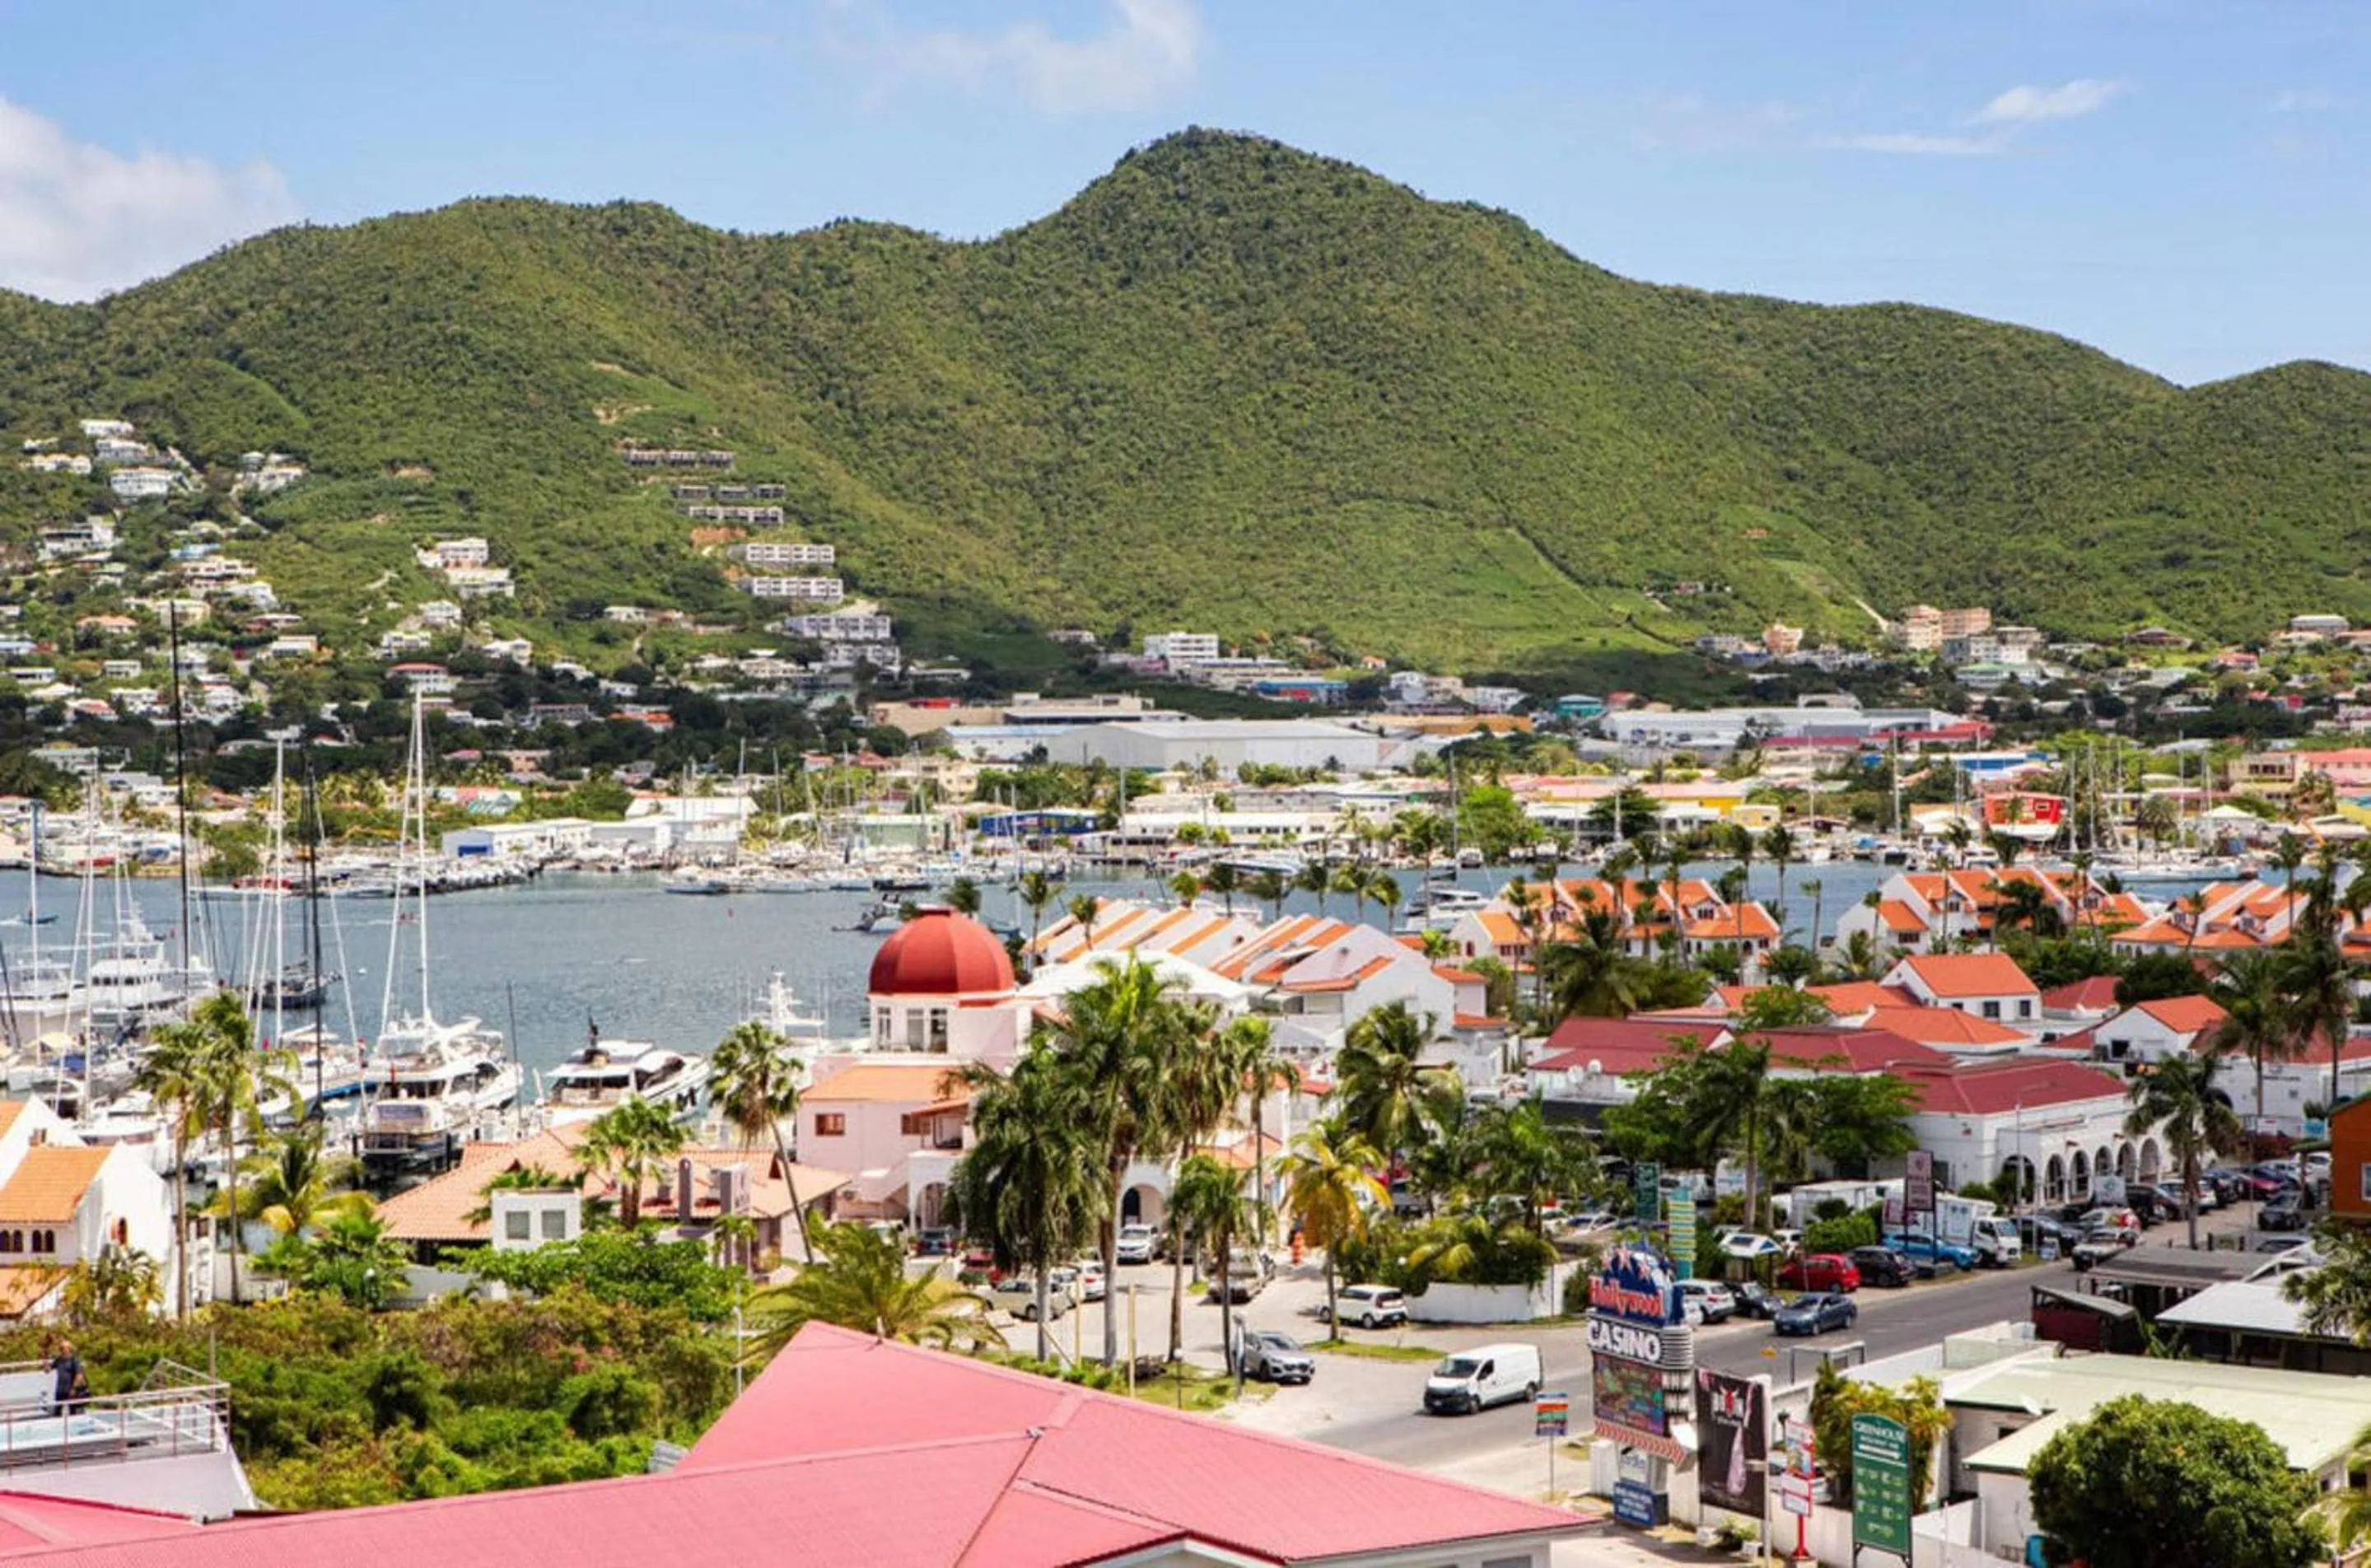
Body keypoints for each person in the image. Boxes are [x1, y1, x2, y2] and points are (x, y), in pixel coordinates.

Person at [49, 1339, 86, 1416]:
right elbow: (49, 1369)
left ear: (69, 1349)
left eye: (64, 1348)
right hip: (60, 1390)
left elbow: (79, 1375)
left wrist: (74, 1388)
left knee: (72, 1411)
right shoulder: (58, 1360)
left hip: (70, 1390)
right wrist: (46, 1366)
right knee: (57, 1411)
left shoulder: (74, 1360)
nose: (63, 1350)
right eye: (61, 1348)